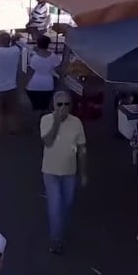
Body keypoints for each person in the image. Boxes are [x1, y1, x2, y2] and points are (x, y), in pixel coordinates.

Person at [38, 90, 86, 254]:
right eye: (60, 104)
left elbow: (82, 148)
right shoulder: (46, 120)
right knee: (55, 204)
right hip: (50, 172)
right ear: (54, 105)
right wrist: (57, 123)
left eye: (67, 104)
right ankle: (56, 240)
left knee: (65, 205)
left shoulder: (77, 123)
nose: (63, 108)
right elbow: (47, 141)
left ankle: (59, 229)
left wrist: (84, 172)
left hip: (69, 173)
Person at [23, 35, 63, 112]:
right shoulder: (53, 57)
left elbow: (30, 73)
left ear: (37, 44)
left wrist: (25, 83)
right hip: (48, 85)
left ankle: (37, 122)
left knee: (35, 108)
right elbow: (59, 70)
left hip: (34, 85)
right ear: (48, 44)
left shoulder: (34, 58)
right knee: (45, 107)